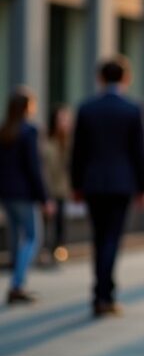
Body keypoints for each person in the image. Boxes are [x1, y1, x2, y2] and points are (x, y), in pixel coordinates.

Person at [71, 56, 144, 318]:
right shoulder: (132, 108)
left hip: (93, 183)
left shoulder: (86, 108)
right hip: (121, 183)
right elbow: (139, 152)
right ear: (126, 79)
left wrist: (76, 184)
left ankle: (100, 292)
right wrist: (143, 187)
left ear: (100, 78)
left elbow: (78, 151)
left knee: (98, 237)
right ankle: (105, 295)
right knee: (112, 239)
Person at [1, 87, 53, 304]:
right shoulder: (30, 131)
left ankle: (17, 281)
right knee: (32, 238)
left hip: (7, 193)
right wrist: (45, 198)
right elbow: (34, 168)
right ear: (27, 107)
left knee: (16, 237)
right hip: (25, 194)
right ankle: (17, 284)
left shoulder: (5, 131)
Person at [40, 104, 73, 265]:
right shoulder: (48, 143)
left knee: (61, 223)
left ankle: (58, 252)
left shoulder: (69, 143)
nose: (65, 123)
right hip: (49, 190)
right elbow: (44, 170)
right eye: (62, 119)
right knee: (46, 223)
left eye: (67, 120)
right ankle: (44, 252)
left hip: (62, 190)